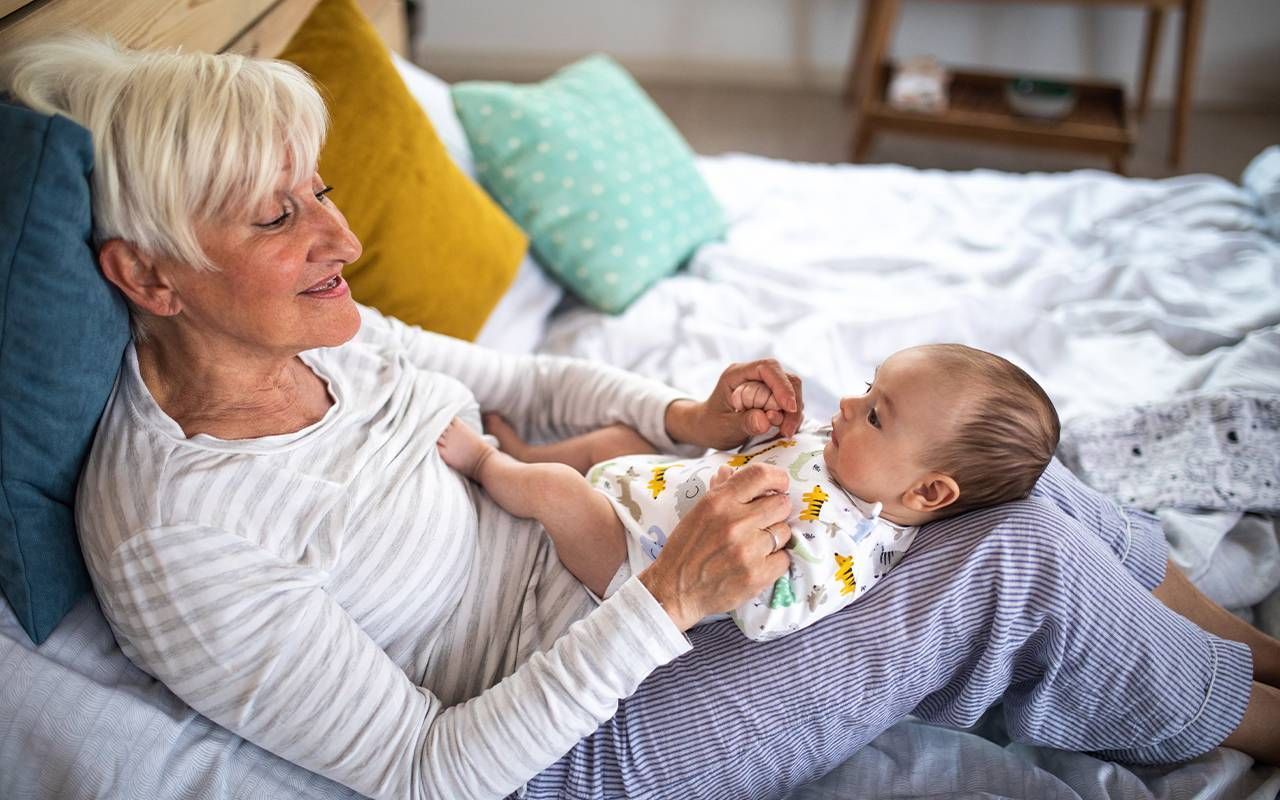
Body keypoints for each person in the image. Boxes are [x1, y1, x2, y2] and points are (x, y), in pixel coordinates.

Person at [5, 33, 1278, 800]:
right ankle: (1254, 716)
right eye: (279, 218)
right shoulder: (179, 530)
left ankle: (1243, 652)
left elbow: (530, 385)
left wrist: (689, 415)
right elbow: (430, 772)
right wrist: (665, 596)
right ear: (148, 275)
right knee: (1002, 560)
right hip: (573, 740)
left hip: (609, 558)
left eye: (321, 190)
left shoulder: (322, 332)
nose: (341, 236)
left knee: (991, 459)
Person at [437, 343, 1060, 641]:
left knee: (558, 491)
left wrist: (760, 549)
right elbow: (761, 450)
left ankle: (488, 464)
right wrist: (759, 427)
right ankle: (528, 455)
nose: (847, 403)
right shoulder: (851, 459)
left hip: (635, 562)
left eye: (875, 414)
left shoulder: (845, 545)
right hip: (649, 492)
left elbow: (770, 615)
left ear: (927, 492)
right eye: (868, 387)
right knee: (614, 439)